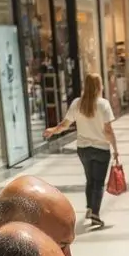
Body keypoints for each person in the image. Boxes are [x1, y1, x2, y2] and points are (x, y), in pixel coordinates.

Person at [43, 73, 119, 229]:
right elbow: (108, 130)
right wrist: (116, 149)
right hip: (101, 149)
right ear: (99, 86)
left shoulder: (77, 103)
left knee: (90, 180)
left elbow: (65, 124)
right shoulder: (103, 104)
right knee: (98, 183)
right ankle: (95, 214)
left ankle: (90, 208)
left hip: (83, 149)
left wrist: (53, 130)